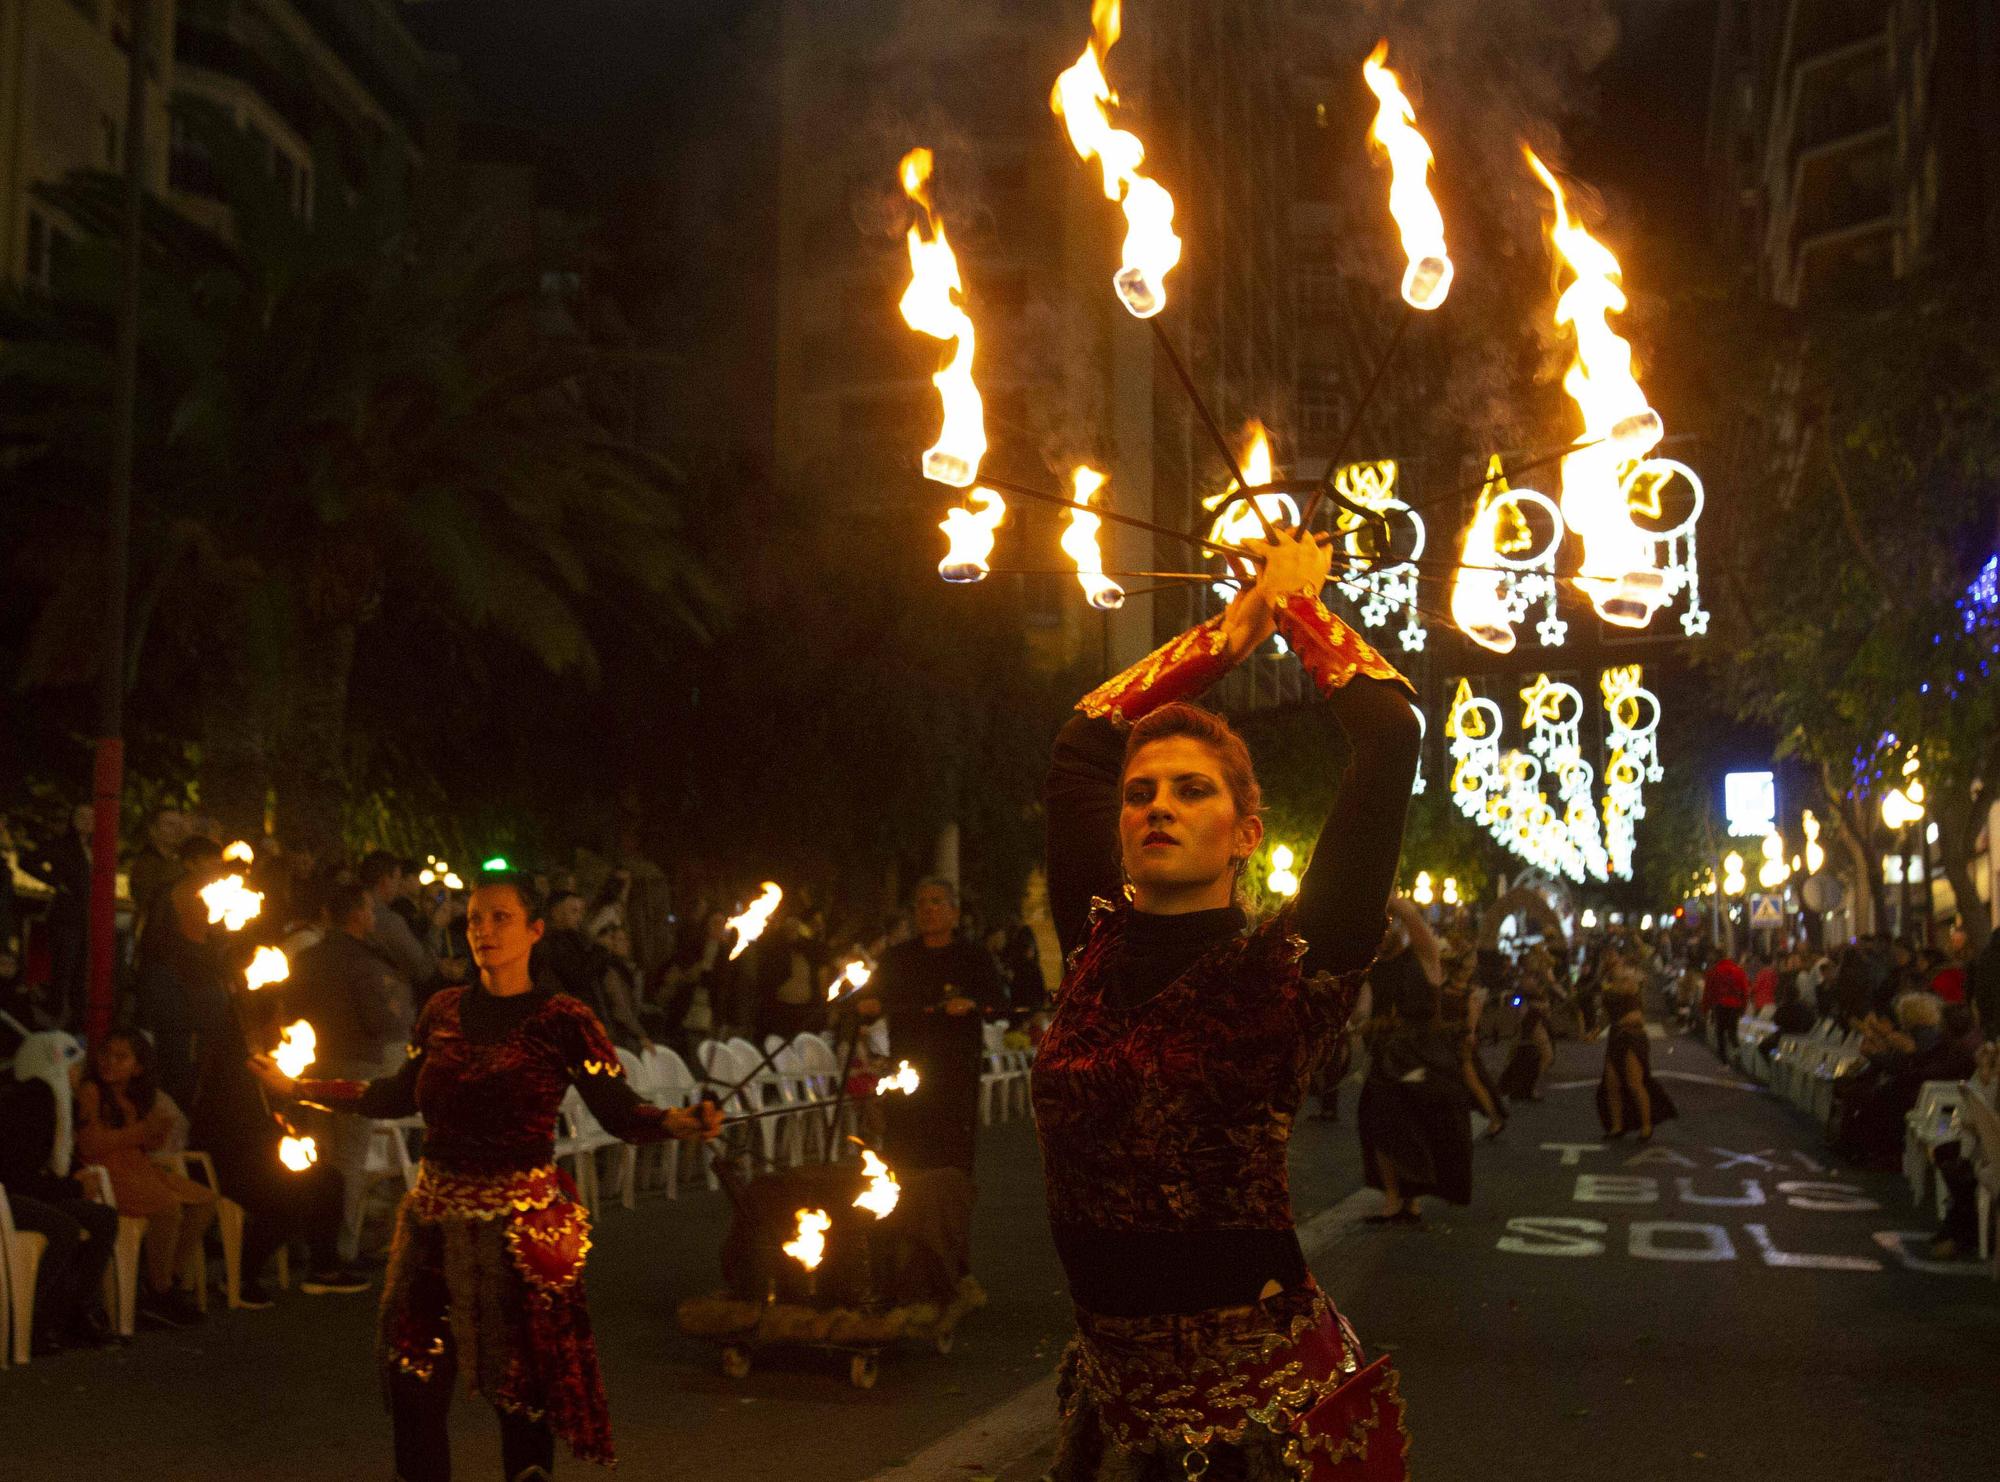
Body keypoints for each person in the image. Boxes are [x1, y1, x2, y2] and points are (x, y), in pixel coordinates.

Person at [1033, 526, 1418, 1479]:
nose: (1156, 805)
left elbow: (1391, 736)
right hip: (1118, 1410)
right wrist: (1236, 627)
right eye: (1142, 793)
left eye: (1192, 791)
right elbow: (1084, 742)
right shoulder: (1094, 946)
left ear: (1246, 832)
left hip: (1263, 1423)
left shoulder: (1291, 967)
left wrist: (1300, 606)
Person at [251, 877, 724, 1477]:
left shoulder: (564, 1020)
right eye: (475, 919)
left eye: (501, 918)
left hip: (520, 1233)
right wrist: (301, 1089)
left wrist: (680, 1121)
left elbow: (619, 1110)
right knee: (412, 1376)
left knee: (521, 1395)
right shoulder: (441, 1011)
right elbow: (399, 1094)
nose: (483, 931)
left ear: (534, 931)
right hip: (433, 1225)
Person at [286, 881, 413, 1267]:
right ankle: (341, 1247)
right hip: (355, 1064)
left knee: (318, 1155)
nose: (374, 918)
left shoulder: (309, 958)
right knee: (349, 1159)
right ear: (358, 916)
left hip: (311, 1064)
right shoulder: (365, 963)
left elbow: (289, 1008)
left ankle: (309, 1243)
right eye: (370, 911)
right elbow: (380, 1019)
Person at [857, 878, 1006, 1177]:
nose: (928, 909)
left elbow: (997, 1003)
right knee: (904, 1144)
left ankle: (950, 1205)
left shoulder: (973, 957)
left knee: (949, 1150)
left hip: (954, 1068)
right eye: (921, 903)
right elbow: (873, 1001)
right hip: (906, 1064)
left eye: (936, 902)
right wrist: (868, 1006)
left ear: (953, 911)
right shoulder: (897, 958)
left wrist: (971, 1003)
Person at [0, 1032, 118, 1354]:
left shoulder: (49, 1100)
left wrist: (74, 1182)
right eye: (73, 1068)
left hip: (24, 1192)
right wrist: (75, 1186)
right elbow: (19, 1178)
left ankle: (74, 1312)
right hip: (7, 1199)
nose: (77, 1077)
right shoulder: (32, 1101)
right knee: (61, 1229)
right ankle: (31, 1321)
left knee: (101, 1218)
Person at [1358, 920, 1472, 1225]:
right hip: (1388, 1057)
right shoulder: (1374, 969)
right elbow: (1364, 1011)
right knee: (1379, 1122)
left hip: (1423, 1056)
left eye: (1386, 930)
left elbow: (1412, 918)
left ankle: (1413, 1199)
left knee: (1416, 1123)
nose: (1381, 938)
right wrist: (1362, 1024)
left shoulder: (1423, 957)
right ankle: (1394, 1198)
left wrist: (1384, 895)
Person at [25, 803, 94, 1029]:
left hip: (86, 916)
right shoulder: (62, 845)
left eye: (91, 817)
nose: (86, 821)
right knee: (64, 965)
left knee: (81, 968)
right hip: (66, 915)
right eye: (82, 816)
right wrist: (56, 883)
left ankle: (76, 1017)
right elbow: (28, 861)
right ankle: (54, 1013)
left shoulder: (97, 848)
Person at [1595, 973, 1677, 1141]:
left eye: (1627, 981)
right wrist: (1593, 1033)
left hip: (1632, 1040)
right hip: (1616, 1038)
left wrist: (1617, 1022)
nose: (1624, 984)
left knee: (1634, 1082)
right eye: (1621, 980)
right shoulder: (1610, 996)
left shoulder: (1633, 998)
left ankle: (1646, 1125)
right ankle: (1617, 1126)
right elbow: (1604, 1019)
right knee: (1612, 1083)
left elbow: (1636, 1018)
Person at [360, 851, 441, 1003]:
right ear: (385, 881)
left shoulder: (348, 910)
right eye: (397, 880)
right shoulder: (388, 921)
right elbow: (423, 968)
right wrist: (436, 926)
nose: (398, 887)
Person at [126, 806, 191, 944]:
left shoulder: (183, 861)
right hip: (155, 936)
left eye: (180, 825)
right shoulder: (145, 862)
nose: (177, 830)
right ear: (153, 830)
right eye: (170, 825)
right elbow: (146, 897)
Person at [1497, 984, 1555, 1103]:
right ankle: (1527, 1087)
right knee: (1543, 1055)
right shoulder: (1524, 992)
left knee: (1534, 1055)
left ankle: (1523, 1087)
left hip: (1536, 1021)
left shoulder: (1541, 986)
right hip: (1532, 1021)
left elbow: (1545, 1007)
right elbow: (1515, 1004)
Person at [1703, 951, 1749, 1061]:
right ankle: (1737, 1051)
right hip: (1735, 1005)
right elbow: (1745, 991)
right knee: (1732, 1031)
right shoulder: (1739, 971)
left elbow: (1709, 991)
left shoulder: (1714, 971)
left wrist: (1706, 1008)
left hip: (1720, 1005)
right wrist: (1743, 1007)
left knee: (1720, 1031)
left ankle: (1723, 1059)